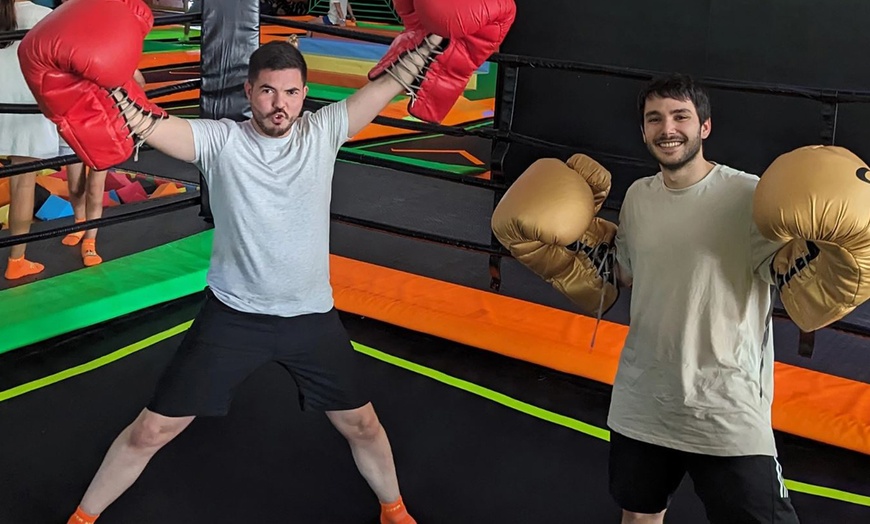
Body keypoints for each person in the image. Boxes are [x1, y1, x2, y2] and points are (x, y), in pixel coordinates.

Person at [14, 0, 514, 523]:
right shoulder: (220, 141)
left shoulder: (323, 133)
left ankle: (394, 508)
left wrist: (437, 38)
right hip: (233, 317)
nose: (281, 104)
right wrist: (108, 82)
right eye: (269, 91)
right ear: (249, 91)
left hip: (310, 318)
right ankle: (82, 517)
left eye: (292, 92)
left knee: (363, 425)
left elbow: (391, 82)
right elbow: (144, 125)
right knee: (151, 430)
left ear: (304, 94)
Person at [492, 73, 800, 523]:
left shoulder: (746, 195)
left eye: (680, 117)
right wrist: (571, 245)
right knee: (639, 515)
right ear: (643, 130)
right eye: (654, 119)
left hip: (725, 406)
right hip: (643, 399)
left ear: (705, 127)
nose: (667, 129)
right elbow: (628, 274)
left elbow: (789, 277)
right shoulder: (638, 196)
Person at [61, 68, 147, 267]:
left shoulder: (109, 55)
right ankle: (80, 223)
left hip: (103, 127)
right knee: (75, 186)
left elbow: (139, 81)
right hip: (76, 123)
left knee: (94, 188)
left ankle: (90, 240)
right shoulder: (72, 54)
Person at [0, 0, 57, 280]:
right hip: (26, 107)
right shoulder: (43, 16)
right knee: (22, 184)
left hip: (3, 105)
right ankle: (17, 260)